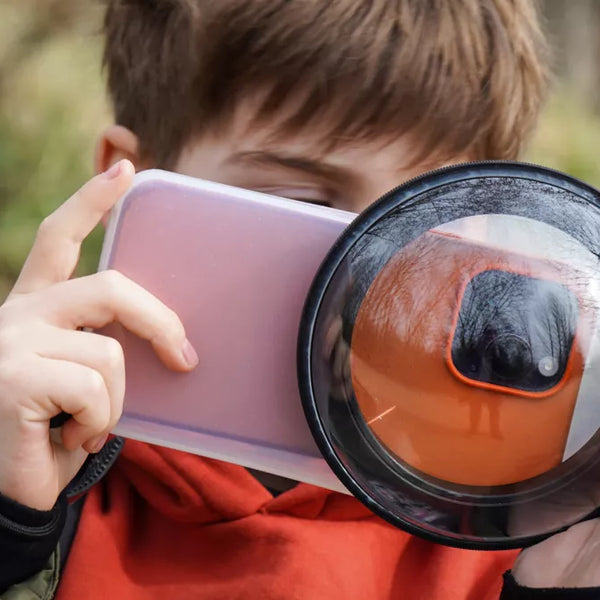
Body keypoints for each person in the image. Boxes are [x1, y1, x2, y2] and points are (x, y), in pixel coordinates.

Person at [0, 1, 598, 598]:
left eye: (431, 217)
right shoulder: (34, 464)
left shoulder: (534, 523)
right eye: (307, 204)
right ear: (129, 195)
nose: (370, 282)